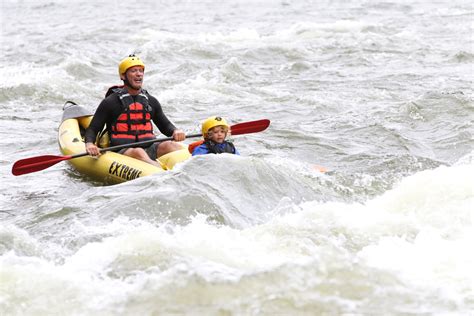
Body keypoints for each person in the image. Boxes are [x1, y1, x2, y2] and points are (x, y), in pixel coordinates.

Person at [84, 55, 185, 167]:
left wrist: (175, 131)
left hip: (149, 147)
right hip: (123, 151)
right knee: (138, 152)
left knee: (171, 145)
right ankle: (159, 170)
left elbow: (165, 125)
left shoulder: (151, 101)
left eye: (141, 71)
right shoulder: (110, 102)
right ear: (123, 76)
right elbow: (93, 128)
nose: (139, 74)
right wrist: (89, 144)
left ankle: (184, 168)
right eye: (133, 71)